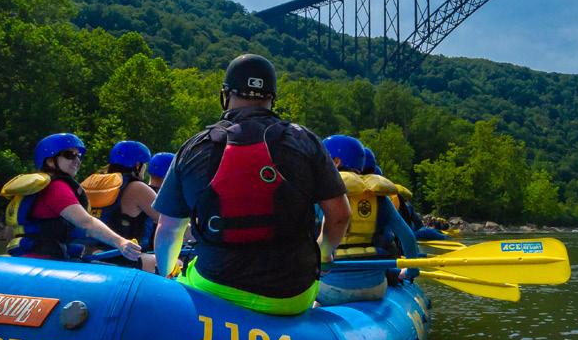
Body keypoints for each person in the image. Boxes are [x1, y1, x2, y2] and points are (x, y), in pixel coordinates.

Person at [153, 54, 350, 316]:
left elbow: (168, 230)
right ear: (272, 98)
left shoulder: (194, 147)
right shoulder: (305, 141)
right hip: (291, 295)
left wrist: (167, 274)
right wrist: (324, 255)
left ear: (225, 95)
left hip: (214, 287)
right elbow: (340, 215)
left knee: (180, 277)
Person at [3, 133, 142, 263]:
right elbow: (86, 223)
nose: (77, 160)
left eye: (78, 156)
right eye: (69, 155)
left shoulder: (38, 187)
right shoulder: (56, 187)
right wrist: (120, 242)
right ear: (50, 161)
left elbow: (9, 232)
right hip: (43, 258)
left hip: (27, 256)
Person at [317, 135, 419, 306]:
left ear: (335, 161)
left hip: (331, 290)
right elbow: (407, 236)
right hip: (376, 289)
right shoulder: (379, 198)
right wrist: (411, 271)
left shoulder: (321, 193)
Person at [81, 140, 159, 272]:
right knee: (176, 262)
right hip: (121, 256)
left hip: (89, 252)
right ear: (138, 165)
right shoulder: (138, 188)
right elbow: (170, 222)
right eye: (144, 165)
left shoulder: (94, 184)